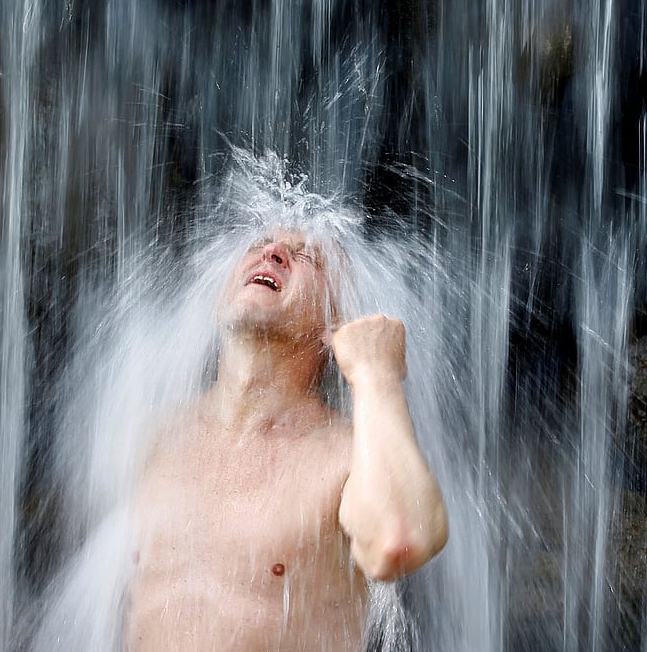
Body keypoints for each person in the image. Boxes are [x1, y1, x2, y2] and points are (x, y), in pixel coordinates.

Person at [125, 229, 449, 651]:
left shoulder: (348, 456)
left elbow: (400, 540)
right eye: (257, 245)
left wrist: (375, 372)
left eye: (306, 257)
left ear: (334, 323)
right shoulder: (154, 438)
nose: (272, 253)